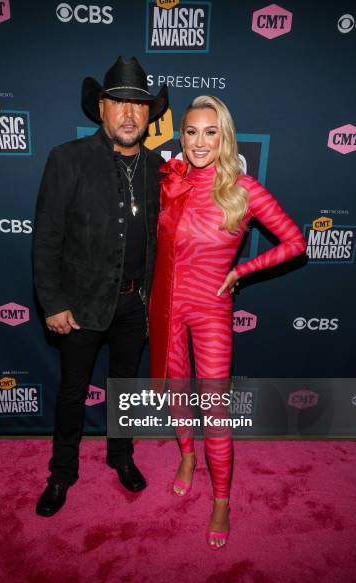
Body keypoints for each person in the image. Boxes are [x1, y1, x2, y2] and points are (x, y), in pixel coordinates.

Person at [149, 95, 306, 549]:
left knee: (215, 408)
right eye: (192, 132)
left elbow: (295, 242)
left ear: (225, 136)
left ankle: (221, 500)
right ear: (182, 136)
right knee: (176, 387)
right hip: (167, 306)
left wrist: (241, 271)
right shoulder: (171, 182)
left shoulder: (244, 188)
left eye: (210, 132)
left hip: (211, 308)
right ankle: (185, 454)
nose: (200, 142)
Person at [33, 57, 168, 517]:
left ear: (149, 116)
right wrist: (52, 301)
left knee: (124, 387)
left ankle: (121, 457)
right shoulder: (66, 158)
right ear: (102, 108)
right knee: (73, 391)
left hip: (136, 302)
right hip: (80, 304)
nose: (129, 115)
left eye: (138, 105)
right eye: (119, 104)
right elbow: (47, 236)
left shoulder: (159, 168)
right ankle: (61, 472)